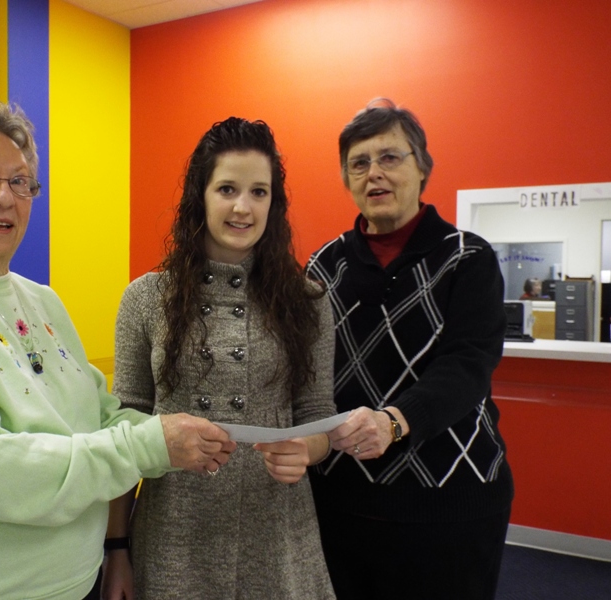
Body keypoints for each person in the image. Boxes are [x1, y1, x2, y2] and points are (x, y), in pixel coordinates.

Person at [0, 101, 234, 600]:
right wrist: (152, 444)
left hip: (72, 584)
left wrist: (187, 432)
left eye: (20, 182)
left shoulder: (41, 302)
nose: (4, 197)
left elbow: (99, 415)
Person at [102, 117, 337, 600]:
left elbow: (318, 413)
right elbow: (124, 430)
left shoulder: (308, 300)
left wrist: (308, 448)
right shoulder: (146, 298)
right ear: (201, 195)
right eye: (227, 189)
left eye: (259, 192)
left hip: (278, 528)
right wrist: (117, 548)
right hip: (175, 530)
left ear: (274, 203)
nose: (242, 207)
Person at [307, 99, 514, 600]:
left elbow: (468, 365)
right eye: (359, 163)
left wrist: (395, 422)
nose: (374, 173)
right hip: (342, 501)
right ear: (347, 179)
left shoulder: (467, 257)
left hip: (450, 500)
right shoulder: (321, 267)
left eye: (389, 157)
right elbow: (305, 372)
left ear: (422, 167)